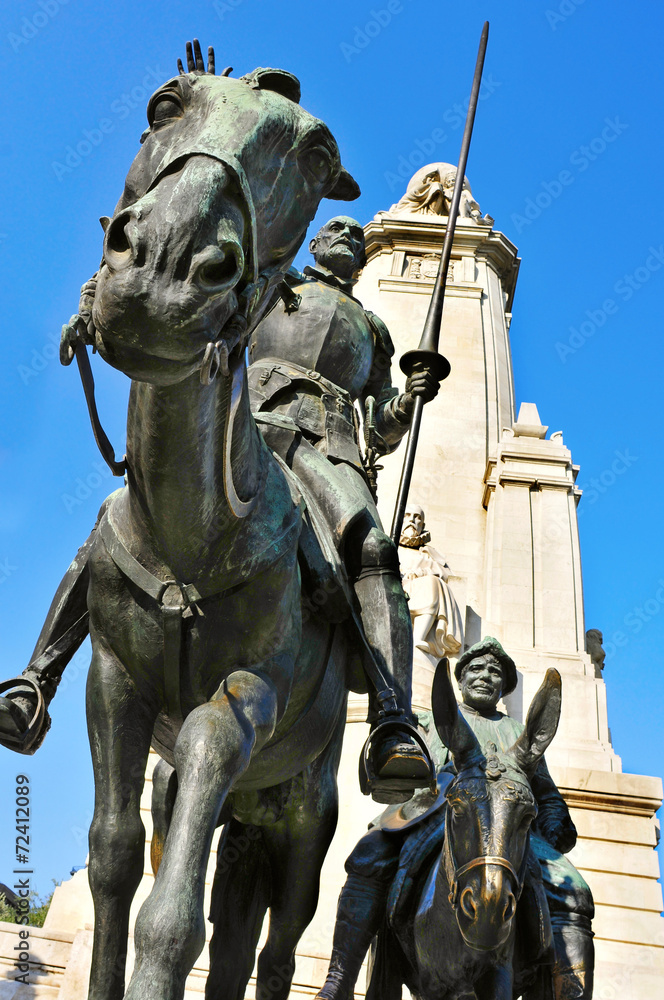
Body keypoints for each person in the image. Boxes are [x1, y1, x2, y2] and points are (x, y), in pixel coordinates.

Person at [0, 217, 441, 803]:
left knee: (375, 550)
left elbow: (381, 429)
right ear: (315, 243)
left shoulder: (374, 332)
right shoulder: (270, 281)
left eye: (356, 241)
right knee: (121, 516)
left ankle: (392, 720)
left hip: (324, 445)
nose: (348, 241)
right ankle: (36, 683)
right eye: (337, 231)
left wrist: (405, 402)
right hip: (241, 425)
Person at [315, 637, 595, 1000]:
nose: (485, 676)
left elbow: (545, 791)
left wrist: (555, 825)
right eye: (476, 669)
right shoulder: (431, 722)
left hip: (508, 823)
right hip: (438, 812)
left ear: (504, 687)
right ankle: (339, 978)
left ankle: (568, 990)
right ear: (461, 681)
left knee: (573, 890)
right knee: (369, 856)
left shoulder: (515, 731)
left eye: (495, 672)